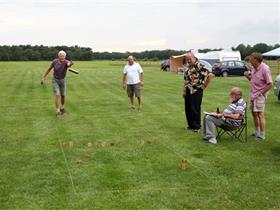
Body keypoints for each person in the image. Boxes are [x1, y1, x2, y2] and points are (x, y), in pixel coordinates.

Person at [244, 52, 273, 140]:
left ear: (256, 60)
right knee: (254, 113)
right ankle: (257, 131)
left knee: (260, 114)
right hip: (253, 94)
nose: (249, 60)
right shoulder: (253, 68)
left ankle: (262, 134)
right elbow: (252, 80)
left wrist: (261, 93)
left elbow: (270, 84)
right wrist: (247, 77)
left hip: (260, 95)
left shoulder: (265, 69)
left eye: (251, 59)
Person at [182, 52, 212, 132]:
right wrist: (184, 90)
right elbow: (185, 80)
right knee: (188, 109)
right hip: (188, 90)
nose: (188, 60)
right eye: (187, 59)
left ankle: (196, 127)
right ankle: (191, 126)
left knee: (195, 108)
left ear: (194, 58)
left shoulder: (199, 66)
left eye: (190, 59)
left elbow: (209, 75)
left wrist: (204, 85)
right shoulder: (187, 67)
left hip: (196, 90)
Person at [41, 50, 74, 116]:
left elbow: (68, 64)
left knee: (63, 95)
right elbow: (49, 68)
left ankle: (62, 107)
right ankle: (57, 110)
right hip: (55, 80)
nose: (62, 57)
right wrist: (44, 77)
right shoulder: (55, 61)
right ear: (58, 56)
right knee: (57, 94)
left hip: (63, 80)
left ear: (65, 56)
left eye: (63, 56)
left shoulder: (66, 62)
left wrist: (71, 64)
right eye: (60, 56)